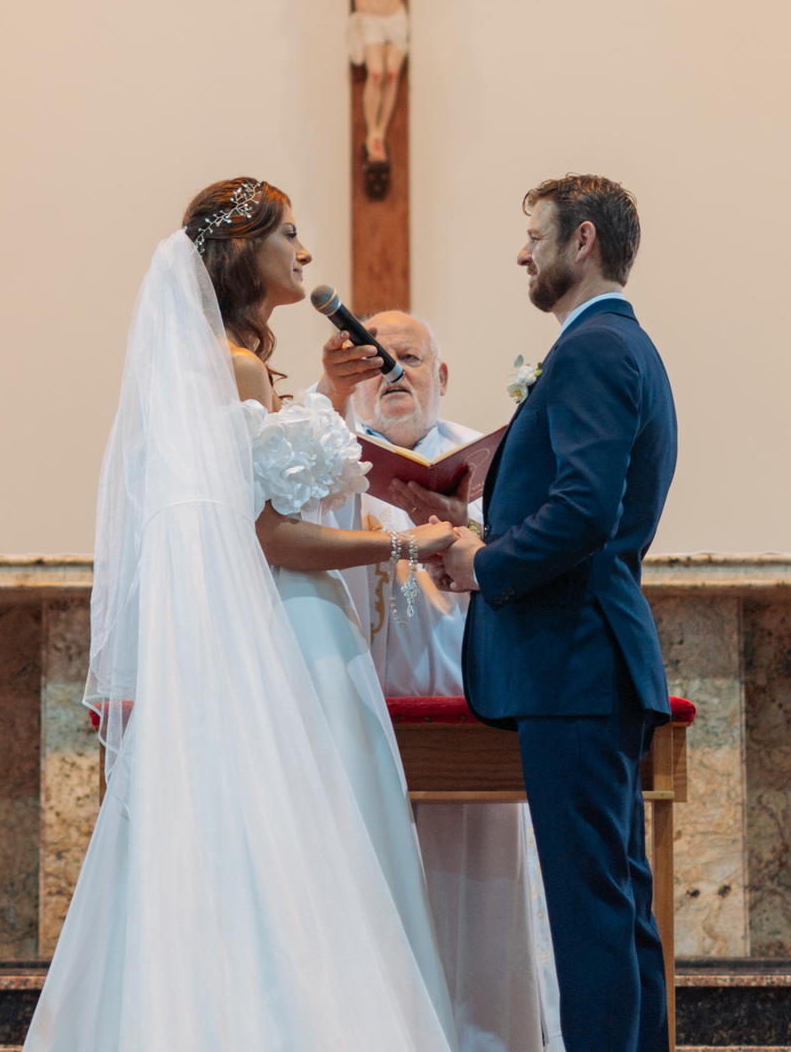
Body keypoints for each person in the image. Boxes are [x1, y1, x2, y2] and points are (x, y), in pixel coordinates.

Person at [24, 181, 457, 1052]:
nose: (306, 252)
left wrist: (329, 400)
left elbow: (264, 495)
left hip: (277, 628)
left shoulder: (217, 363)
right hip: (292, 630)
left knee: (270, 851)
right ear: (241, 251)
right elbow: (269, 536)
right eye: (288, 234)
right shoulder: (237, 366)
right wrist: (404, 544)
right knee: (321, 853)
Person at [437, 175, 678, 1052]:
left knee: (589, 913)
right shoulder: (622, 344)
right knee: (612, 902)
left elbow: (583, 512)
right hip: (588, 657)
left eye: (534, 237)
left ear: (583, 240)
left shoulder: (594, 349)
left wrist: (482, 564)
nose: (521, 254)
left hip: (573, 659)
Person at [316, 310, 558, 1052]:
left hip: (472, 717)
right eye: (377, 360)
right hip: (365, 718)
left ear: (442, 375)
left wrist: (469, 530)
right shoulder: (329, 461)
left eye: (411, 358)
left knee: (482, 904)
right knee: (374, 902)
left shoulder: (493, 464)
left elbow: (535, 564)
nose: (394, 372)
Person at [252, 0, 482, 190]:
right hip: (369, 21)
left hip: (395, 19)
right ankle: (372, 132)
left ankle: (380, 133)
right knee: (375, 74)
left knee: (391, 74)